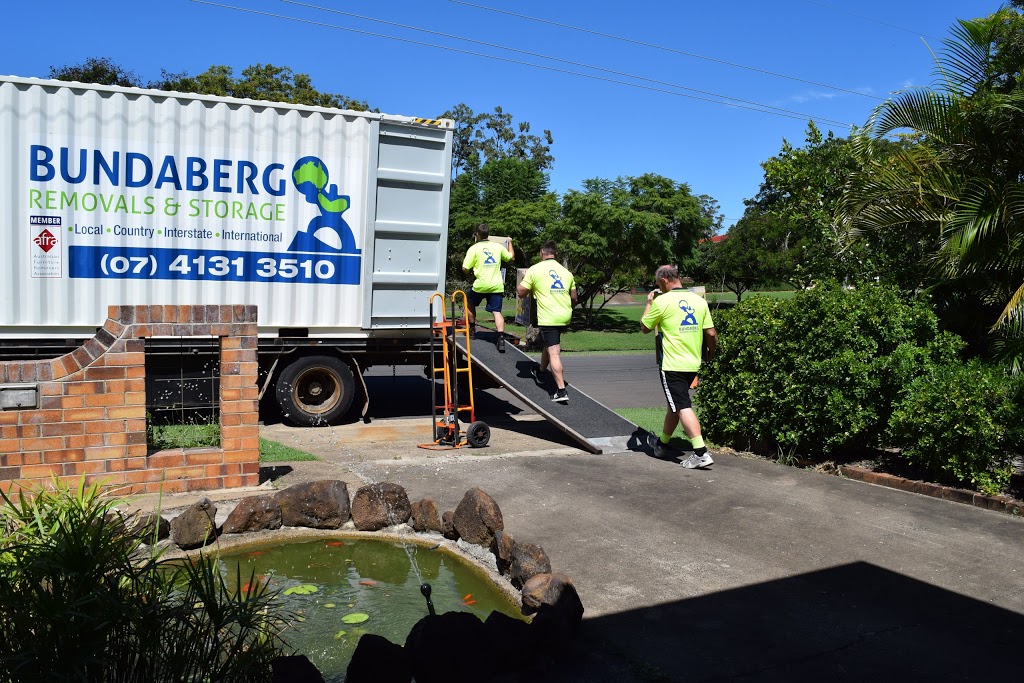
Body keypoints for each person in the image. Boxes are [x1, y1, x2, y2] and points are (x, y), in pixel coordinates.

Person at [640, 264, 717, 469]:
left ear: (664, 280)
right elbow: (711, 333)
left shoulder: (662, 301)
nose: (659, 288)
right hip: (693, 362)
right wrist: (710, 353)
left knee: (682, 406)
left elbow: (645, 327)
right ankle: (662, 445)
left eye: (659, 284)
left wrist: (649, 303)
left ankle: (700, 453)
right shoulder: (698, 301)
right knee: (674, 404)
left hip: (672, 364)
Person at [517, 241, 577, 403]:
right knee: (549, 344)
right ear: (555, 253)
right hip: (564, 316)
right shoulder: (566, 273)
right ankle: (541, 372)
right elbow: (574, 298)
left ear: (542, 252)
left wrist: (525, 280)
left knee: (554, 352)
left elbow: (521, 292)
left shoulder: (535, 270)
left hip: (549, 318)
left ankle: (561, 390)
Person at [462, 223, 514, 352]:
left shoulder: (473, 249)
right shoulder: (497, 247)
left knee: (470, 303)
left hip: (480, 285)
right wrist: (510, 241)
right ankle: (501, 337)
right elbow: (511, 258)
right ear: (488, 234)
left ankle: (472, 330)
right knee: (497, 312)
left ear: (477, 234)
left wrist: (469, 273)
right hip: (496, 285)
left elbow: (465, 268)